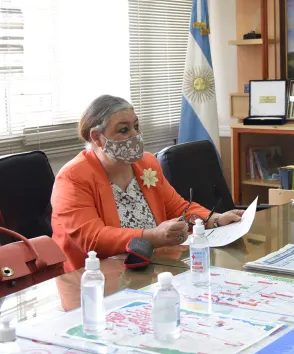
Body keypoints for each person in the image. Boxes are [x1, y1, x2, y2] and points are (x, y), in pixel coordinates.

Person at [51, 95, 244, 271]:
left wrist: (216, 219)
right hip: (95, 277)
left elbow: (178, 208)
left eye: (136, 126)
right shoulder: (73, 177)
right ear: (97, 137)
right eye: (124, 130)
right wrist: (153, 237)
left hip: (152, 267)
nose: (135, 135)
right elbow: (93, 239)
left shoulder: (146, 163)